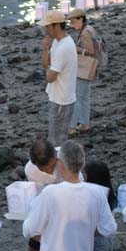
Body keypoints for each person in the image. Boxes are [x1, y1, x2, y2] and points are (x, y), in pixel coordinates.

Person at [8, 139, 60, 251]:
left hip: (69, 208)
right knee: (34, 246)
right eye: (43, 168)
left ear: (55, 156)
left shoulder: (66, 160)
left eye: (51, 166)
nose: (48, 170)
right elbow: (40, 198)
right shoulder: (31, 170)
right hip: (45, 208)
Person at [42, 11, 77, 149]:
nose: (46, 29)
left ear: (56, 26)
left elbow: (50, 77)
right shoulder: (58, 42)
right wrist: (46, 49)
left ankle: (59, 167)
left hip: (61, 100)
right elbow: (46, 65)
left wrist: (49, 69)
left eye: (47, 26)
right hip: (58, 97)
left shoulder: (63, 47)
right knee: (56, 137)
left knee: (57, 140)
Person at [69, 11, 105, 135]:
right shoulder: (90, 29)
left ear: (81, 19)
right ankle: (84, 124)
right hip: (91, 68)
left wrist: (75, 48)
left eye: (73, 22)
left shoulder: (84, 33)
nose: (72, 25)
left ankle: (72, 126)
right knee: (84, 97)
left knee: (77, 97)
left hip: (84, 69)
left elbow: (90, 51)